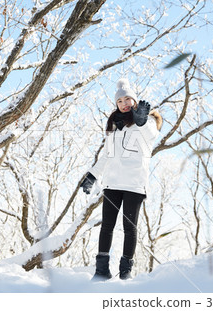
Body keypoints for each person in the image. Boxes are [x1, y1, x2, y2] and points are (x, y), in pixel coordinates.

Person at [80, 79, 162, 281]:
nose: (124, 103)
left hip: (134, 184)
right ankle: (101, 271)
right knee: (106, 226)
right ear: (116, 104)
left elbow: (151, 133)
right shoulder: (114, 125)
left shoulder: (147, 122)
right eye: (120, 101)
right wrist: (92, 175)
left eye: (127, 99)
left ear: (134, 100)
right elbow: (107, 156)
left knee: (129, 227)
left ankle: (125, 272)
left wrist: (141, 120)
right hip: (112, 183)